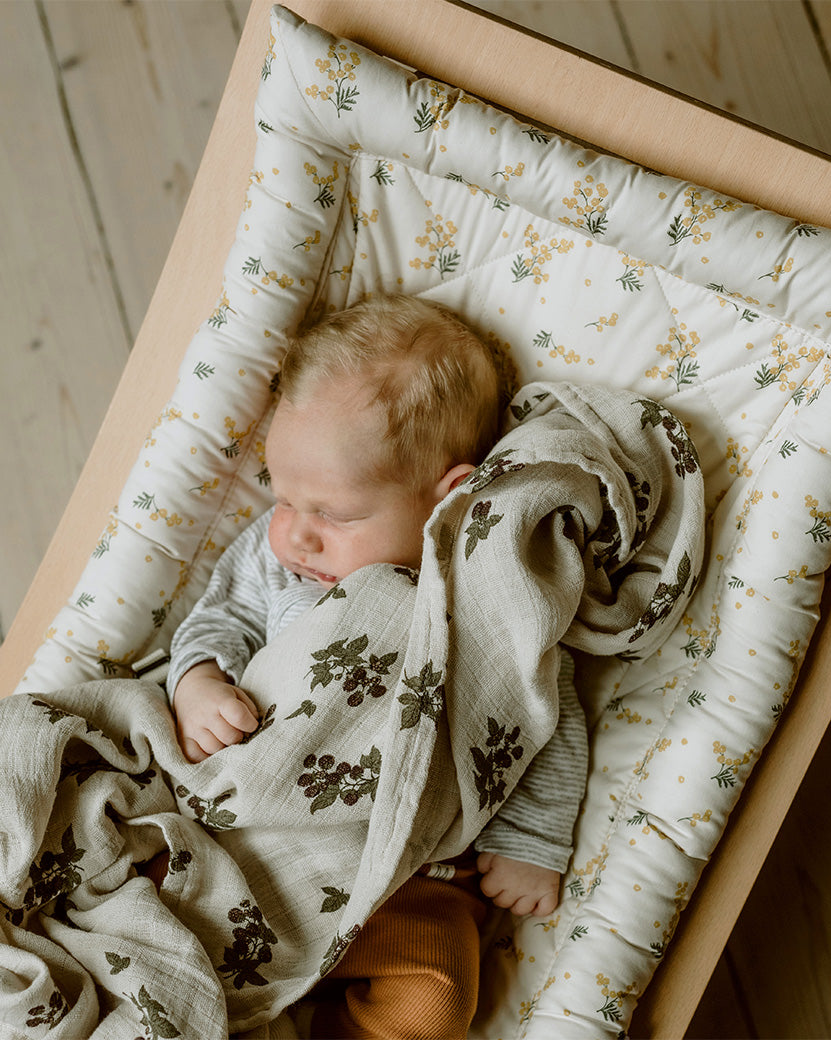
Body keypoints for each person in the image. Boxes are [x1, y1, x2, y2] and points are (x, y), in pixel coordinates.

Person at [165, 294, 587, 1039]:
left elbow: (538, 712)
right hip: (253, 846)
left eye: (335, 514)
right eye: (280, 495)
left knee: (437, 990)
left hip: (403, 876)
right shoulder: (279, 561)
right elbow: (219, 618)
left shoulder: (482, 599)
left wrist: (530, 844)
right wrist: (199, 682)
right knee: (173, 932)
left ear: (445, 496)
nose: (297, 534)